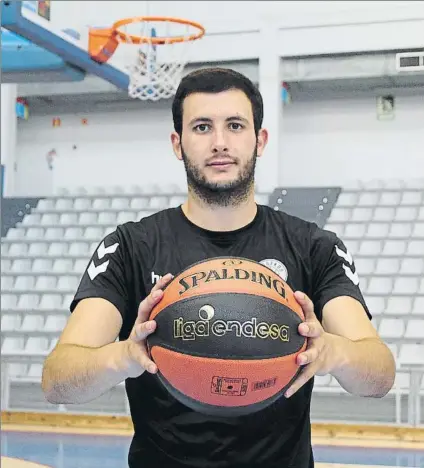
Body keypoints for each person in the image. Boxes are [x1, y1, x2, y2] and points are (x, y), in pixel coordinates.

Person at [41, 67, 396, 468]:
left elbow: (379, 374)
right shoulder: (130, 246)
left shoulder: (314, 247)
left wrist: (333, 352)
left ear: (260, 139)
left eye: (235, 125)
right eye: (202, 127)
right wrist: (126, 354)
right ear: (178, 143)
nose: (220, 142)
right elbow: (57, 380)